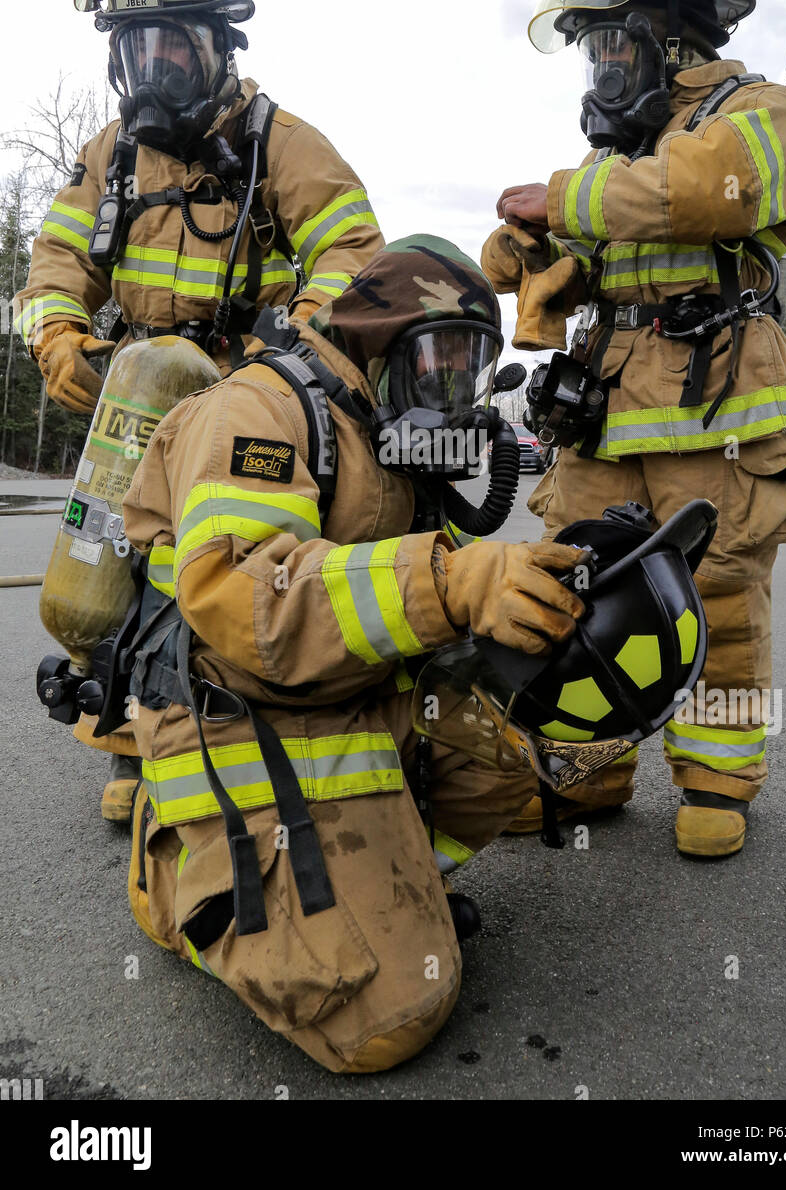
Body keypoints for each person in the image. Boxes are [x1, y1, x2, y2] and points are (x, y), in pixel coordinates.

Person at [119, 236, 588, 1073]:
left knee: (508, 744)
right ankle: (180, 881)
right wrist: (449, 583)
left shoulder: (381, 433)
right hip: (236, 713)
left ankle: (382, 870)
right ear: (380, 335)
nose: (453, 392)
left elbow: (398, 603)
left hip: (344, 694)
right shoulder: (256, 412)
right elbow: (245, 601)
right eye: (441, 360)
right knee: (383, 1021)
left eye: (470, 372)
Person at [15, 0, 384, 819]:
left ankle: (216, 744)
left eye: (171, 44)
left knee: (214, 572)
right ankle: (129, 748)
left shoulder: (282, 145)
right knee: (116, 560)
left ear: (219, 44)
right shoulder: (111, 156)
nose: (154, 68)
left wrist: (287, 349)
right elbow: (59, 260)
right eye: (136, 48)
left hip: (241, 397)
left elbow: (354, 258)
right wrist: (59, 334)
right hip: (136, 393)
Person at [482, 0, 786, 856]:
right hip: (609, 400)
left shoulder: (760, 111)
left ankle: (717, 777)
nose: (600, 65)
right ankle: (586, 768)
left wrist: (560, 200)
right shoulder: (616, 157)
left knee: (717, 590)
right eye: (590, 47)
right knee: (577, 578)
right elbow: (586, 248)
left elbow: (708, 191)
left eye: (613, 40)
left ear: (673, 34)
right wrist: (529, 254)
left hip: (719, 396)